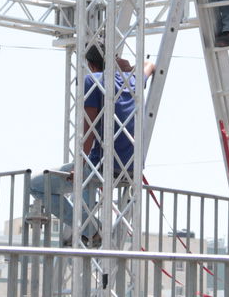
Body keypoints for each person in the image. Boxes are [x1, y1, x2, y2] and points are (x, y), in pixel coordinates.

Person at [29, 44, 156, 246]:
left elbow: (88, 129)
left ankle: (92, 230)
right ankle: (89, 229)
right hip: (131, 167)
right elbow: (150, 64)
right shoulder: (132, 80)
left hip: (103, 167)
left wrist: (79, 166)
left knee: (35, 185)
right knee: (86, 182)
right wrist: (127, 66)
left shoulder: (93, 80)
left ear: (90, 65)